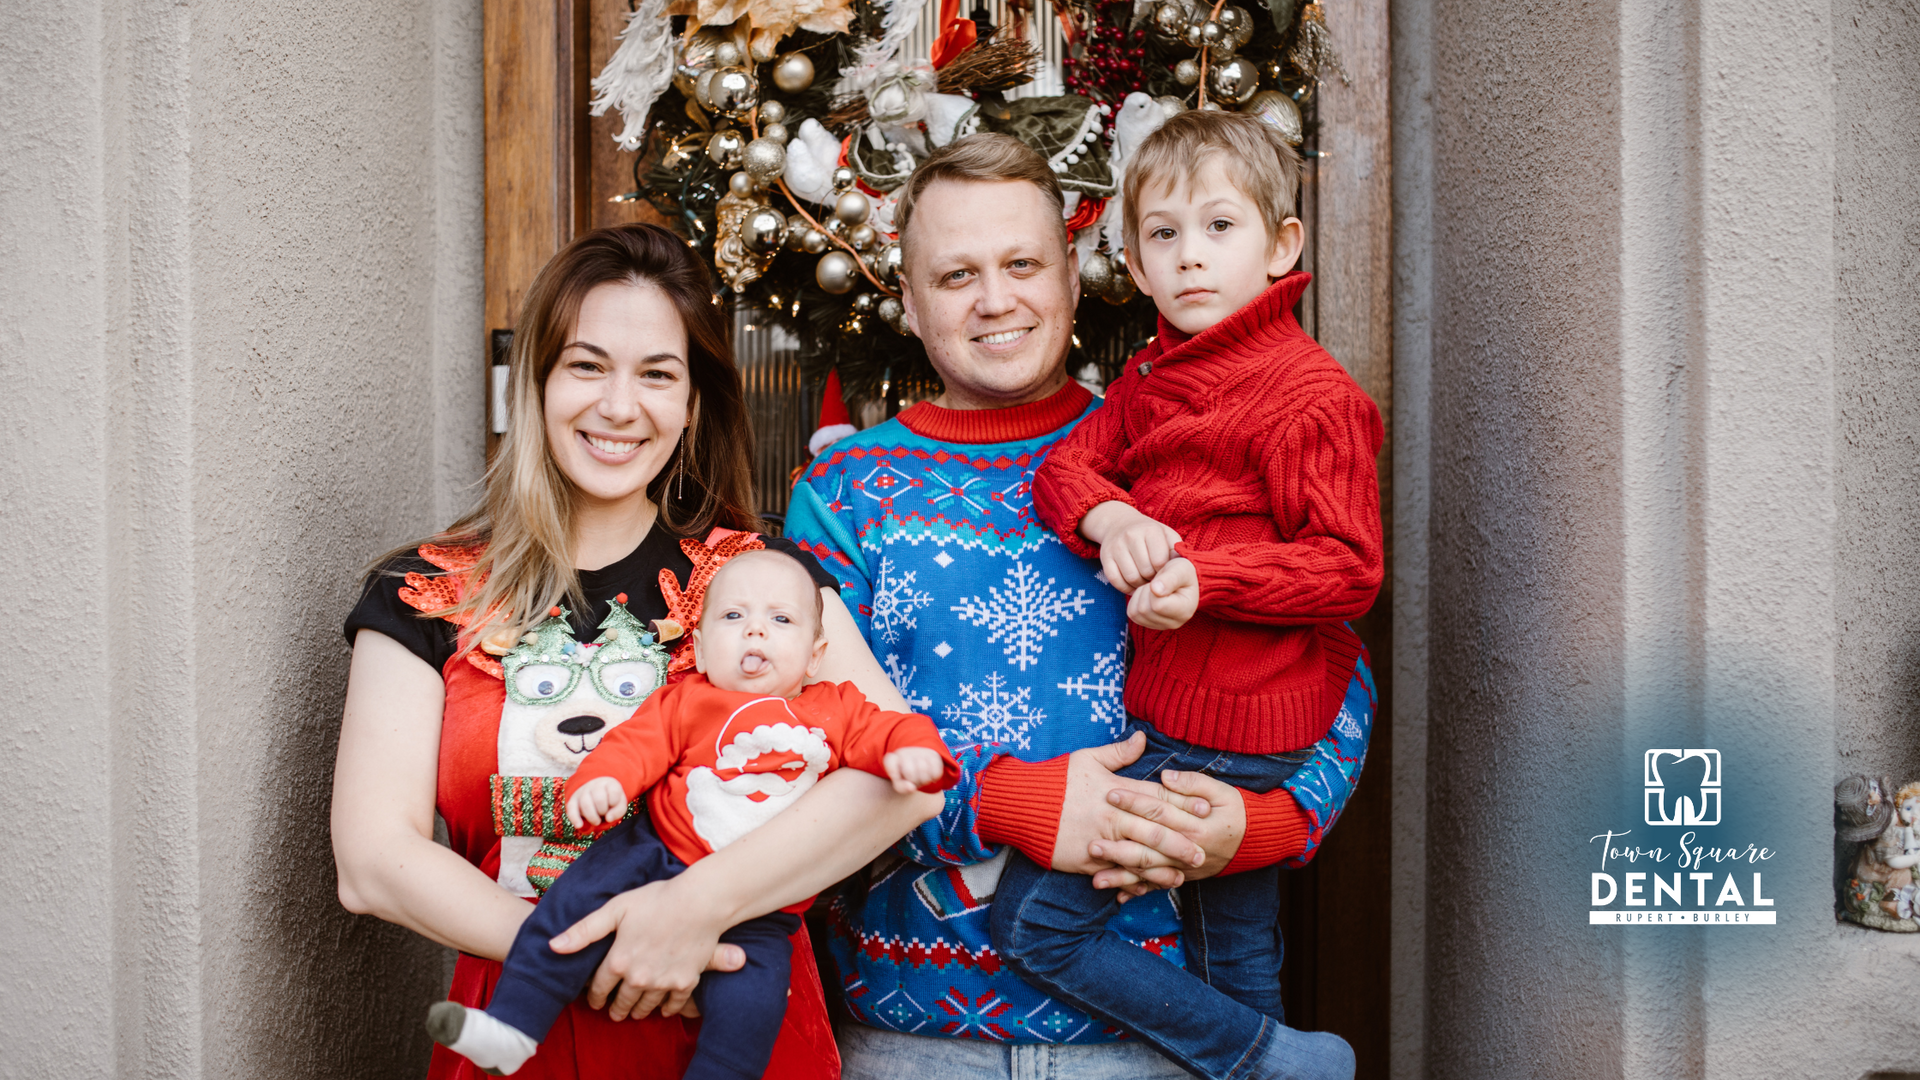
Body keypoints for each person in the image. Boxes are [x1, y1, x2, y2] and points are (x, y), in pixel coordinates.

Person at [781, 133, 1372, 1080]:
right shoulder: (847, 489)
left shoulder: (1169, 442)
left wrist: (1262, 829)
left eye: (1023, 263)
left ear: (1075, 273)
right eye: (956, 274)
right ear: (908, 300)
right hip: (914, 1036)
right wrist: (1007, 803)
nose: (996, 299)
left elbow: (1334, 669)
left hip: (1164, 1036)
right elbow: (795, 728)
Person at [333, 223, 943, 1080]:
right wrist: (590, 953)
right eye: (587, 365)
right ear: (536, 382)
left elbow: (900, 787)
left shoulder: (759, 584)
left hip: (734, 1019)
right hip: (524, 1029)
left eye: (657, 374)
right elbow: (372, 863)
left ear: (692, 402)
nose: (620, 407)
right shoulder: (425, 592)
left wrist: (694, 910)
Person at [987, 109, 1381, 1080]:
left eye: (1220, 227)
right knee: (1233, 948)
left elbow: (1347, 567)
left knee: (1036, 922)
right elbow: (1067, 470)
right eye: (1164, 235)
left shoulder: (1309, 395)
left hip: (1239, 724)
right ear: (1133, 258)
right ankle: (1276, 1059)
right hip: (1184, 707)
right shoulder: (1154, 377)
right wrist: (1112, 521)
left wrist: (1204, 580)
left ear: (1281, 243)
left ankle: (1266, 1058)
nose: (1191, 258)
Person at [428, 550, 961, 1078]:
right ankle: (512, 1028)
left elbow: (894, 730)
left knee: (754, 1001)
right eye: (734, 617)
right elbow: (632, 747)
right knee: (571, 906)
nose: (756, 632)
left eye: (780, 619)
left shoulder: (837, 708)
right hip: (653, 854)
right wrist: (603, 783)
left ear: (815, 654)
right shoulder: (687, 701)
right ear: (701, 651)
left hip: (763, 903)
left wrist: (915, 753)